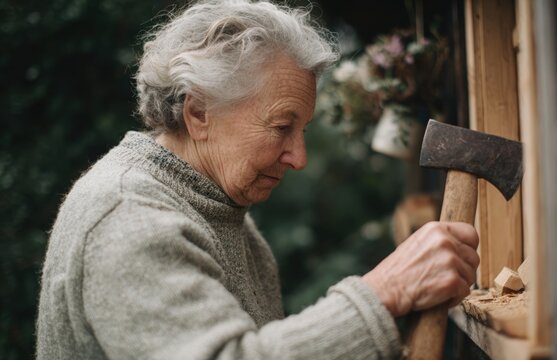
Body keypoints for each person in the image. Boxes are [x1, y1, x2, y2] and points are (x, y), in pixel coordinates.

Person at [36, 1, 480, 359]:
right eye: (281, 126)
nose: (299, 157)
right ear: (198, 113)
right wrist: (383, 294)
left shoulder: (220, 212)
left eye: (302, 130)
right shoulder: (130, 217)